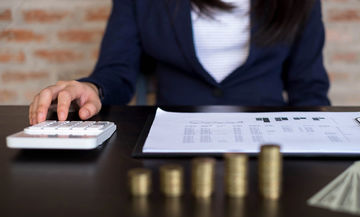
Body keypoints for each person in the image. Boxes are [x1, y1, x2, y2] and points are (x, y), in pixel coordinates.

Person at [29, 0, 330, 125]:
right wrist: (92, 87)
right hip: (173, 140)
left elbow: (309, 88)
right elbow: (117, 72)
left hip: (269, 143)